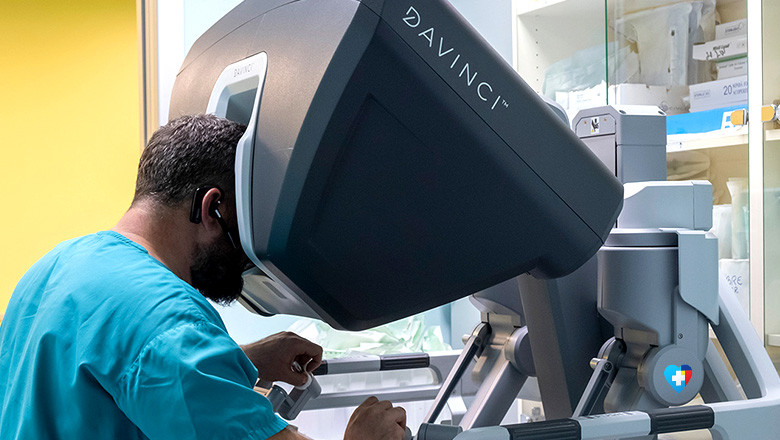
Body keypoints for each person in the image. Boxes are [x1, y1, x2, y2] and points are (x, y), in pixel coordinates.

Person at [0, 114, 407, 440]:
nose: (245, 259)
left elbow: (118, 369)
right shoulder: (167, 318)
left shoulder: (55, 267)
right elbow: (160, 347)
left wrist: (241, 359)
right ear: (212, 208)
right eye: (243, 233)